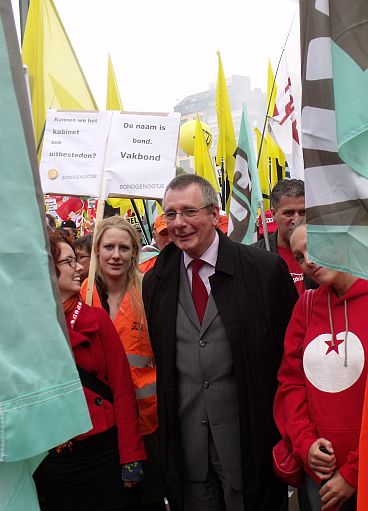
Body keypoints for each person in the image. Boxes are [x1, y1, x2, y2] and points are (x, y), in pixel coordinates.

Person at [142, 174, 298, 511]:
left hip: (249, 446)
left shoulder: (262, 270)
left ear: (214, 214)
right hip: (189, 453)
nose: (179, 223)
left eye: (189, 211)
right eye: (170, 214)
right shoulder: (157, 281)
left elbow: (291, 361)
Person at [35, 230, 146, 511]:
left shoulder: (95, 319)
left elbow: (122, 391)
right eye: (69, 263)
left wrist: (130, 456)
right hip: (54, 456)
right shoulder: (30, 327)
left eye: (77, 260)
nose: (79, 268)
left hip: (103, 453)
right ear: (47, 268)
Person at [274, 218, 368, 511]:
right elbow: (291, 385)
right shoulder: (306, 306)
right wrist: (306, 444)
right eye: (299, 256)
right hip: (321, 477)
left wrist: (354, 472)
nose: (308, 262)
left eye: (313, 248)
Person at [81, 216, 163, 511]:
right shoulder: (81, 296)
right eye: (109, 247)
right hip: (99, 424)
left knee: (148, 499)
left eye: (124, 248)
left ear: (134, 253)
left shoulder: (148, 294)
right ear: (97, 251)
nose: (116, 255)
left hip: (147, 421)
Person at [253, 178, 313, 295]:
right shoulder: (254, 256)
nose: (296, 220)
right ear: (273, 214)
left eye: (302, 212)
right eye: (289, 213)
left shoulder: (324, 252)